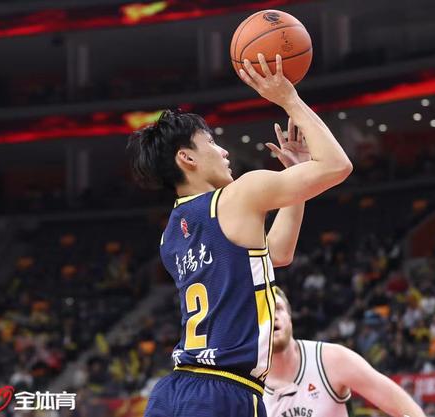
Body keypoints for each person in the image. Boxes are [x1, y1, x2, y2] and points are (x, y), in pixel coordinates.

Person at [128, 53, 352, 417]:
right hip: (224, 390)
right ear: (187, 158)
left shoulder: (170, 236)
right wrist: (289, 99)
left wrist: (296, 186)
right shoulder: (238, 196)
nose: (224, 151)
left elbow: (276, 255)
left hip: (174, 391)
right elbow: (336, 166)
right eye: (211, 143)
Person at [263, 288, 425, 417]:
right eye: (264, 312)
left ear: (290, 318)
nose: (272, 316)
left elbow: (399, 403)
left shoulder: (330, 359)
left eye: (278, 308)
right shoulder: (250, 386)